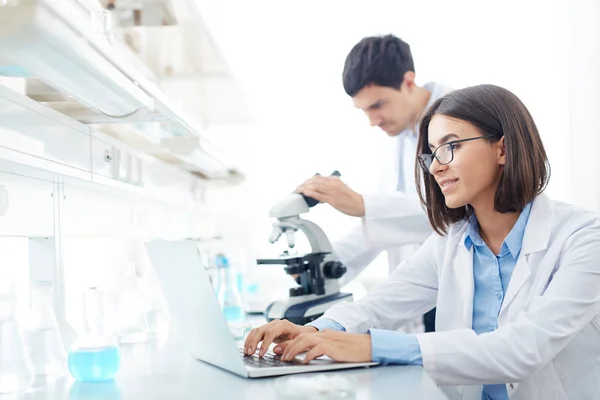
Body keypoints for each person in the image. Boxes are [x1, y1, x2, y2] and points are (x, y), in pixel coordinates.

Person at [246, 84, 600, 400]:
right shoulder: (450, 241)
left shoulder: (583, 239)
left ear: (503, 149)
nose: (435, 168)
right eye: (432, 153)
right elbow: (381, 304)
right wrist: (314, 330)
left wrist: (370, 347)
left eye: (452, 146)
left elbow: (523, 350)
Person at [297, 34, 452, 333]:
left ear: (408, 82)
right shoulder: (399, 133)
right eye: (364, 110)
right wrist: (325, 265)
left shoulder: (455, 119)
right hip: (421, 290)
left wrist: (362, 204)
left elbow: (453, 212)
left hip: (454, 289)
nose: (372, 120)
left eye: (377, 105)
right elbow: (383, 226)